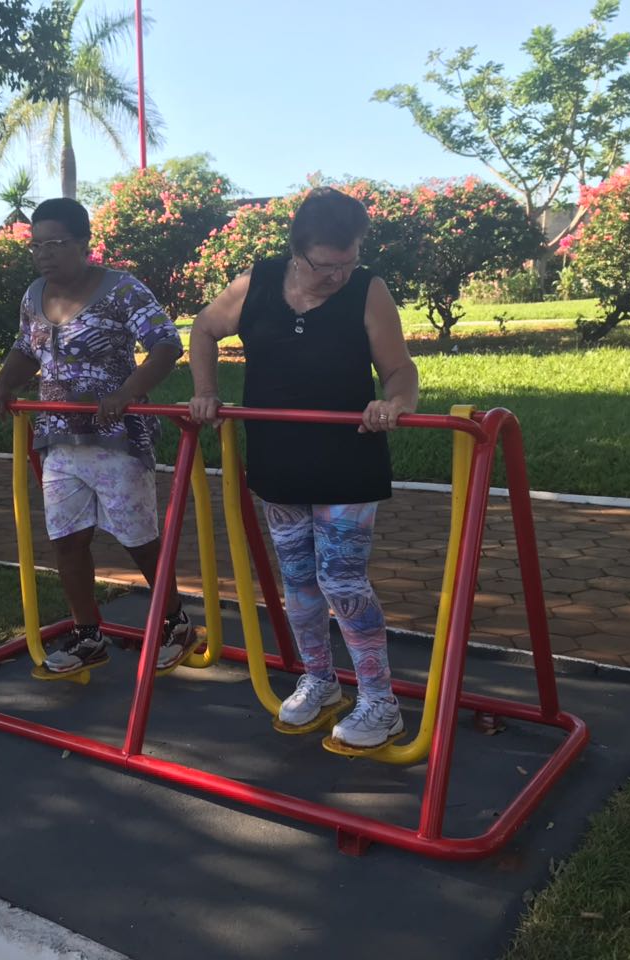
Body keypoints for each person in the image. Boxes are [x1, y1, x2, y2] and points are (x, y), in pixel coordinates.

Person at [187, 187, 419, 748]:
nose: (338, 275)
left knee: (341, 579)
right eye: (325, 265)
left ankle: (380, 701)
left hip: (347, 459)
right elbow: (203, 329)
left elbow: (400, 370)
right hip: (278, 459)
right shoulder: (257, 283)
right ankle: (319, 680)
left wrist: (394, 403)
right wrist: (205, 391)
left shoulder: (368, 289)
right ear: (297, 251)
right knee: (297, 581)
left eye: (348, 262)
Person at [0, 198, 198, 675]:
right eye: (36, 245)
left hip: (115, 438)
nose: (44, 254)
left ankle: (175, 623)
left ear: (83, 242)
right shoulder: (34, 295)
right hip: (58, 438)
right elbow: (26, 349)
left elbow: (165, 344)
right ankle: (87, 635)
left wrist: (127, 392)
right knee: (66, 539)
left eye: (55, 244)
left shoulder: (121, 289)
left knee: (137, 538)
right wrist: (1, 386)